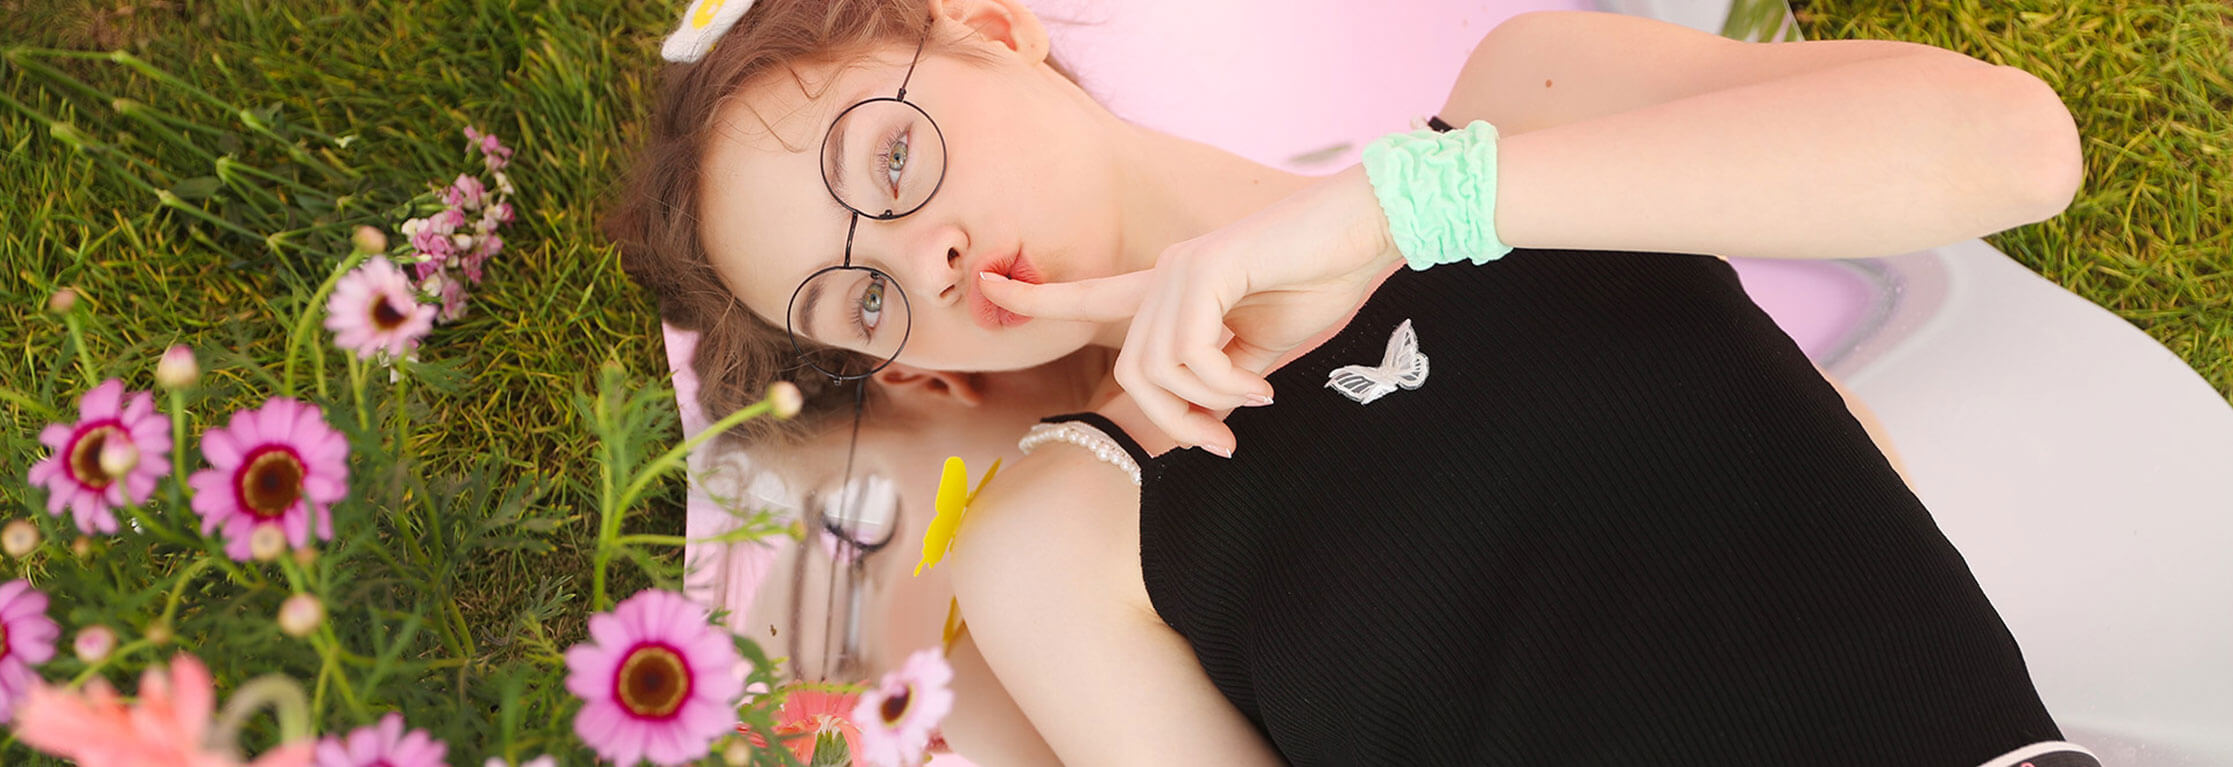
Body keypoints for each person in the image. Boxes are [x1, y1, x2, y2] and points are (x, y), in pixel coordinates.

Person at [606, 0, 2096, 763]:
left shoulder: (1524, 103)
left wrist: (1403, 212)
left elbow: (2015, 151)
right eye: (863, 296)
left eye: (889, 158)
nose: (922, 253)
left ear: (990, 30)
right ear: (911, 364)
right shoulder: (1064, 533)